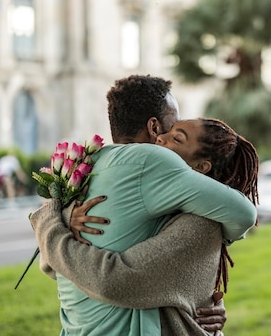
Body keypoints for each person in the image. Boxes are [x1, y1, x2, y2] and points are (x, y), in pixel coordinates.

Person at [29, 75, 257, 336]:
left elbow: (51, 266)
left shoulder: (86, 165)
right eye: (172, 126)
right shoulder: (152, 161)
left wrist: (54, 217)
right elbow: (245, 213)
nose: (167, 136)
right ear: (154, 127)